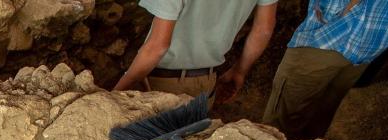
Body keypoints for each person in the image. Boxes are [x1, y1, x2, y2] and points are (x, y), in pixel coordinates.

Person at [262, 0, 388, 140]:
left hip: (331, 34)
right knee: (316, 122)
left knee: (277, 129)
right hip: (369, 43)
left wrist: (335, 12)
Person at [113, 0, 279, 100]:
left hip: (162, 83)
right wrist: (240, 71)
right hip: (207, 83)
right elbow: (264, 29)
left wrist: (115, 94)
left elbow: (157, 46)